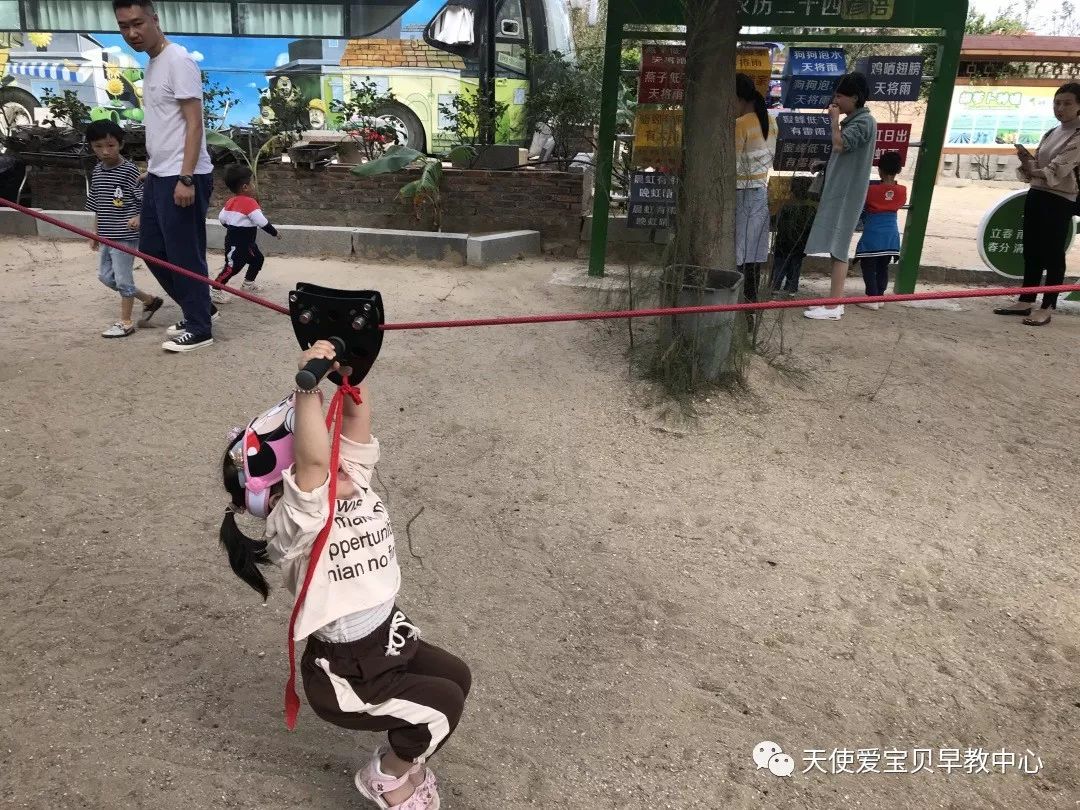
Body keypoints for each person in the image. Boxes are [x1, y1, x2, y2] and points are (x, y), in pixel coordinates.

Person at [218, 343, 470, 809]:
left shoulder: (350, 479)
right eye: (308, 467)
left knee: (456, 676)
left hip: (387, 634)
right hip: (348, 671)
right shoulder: (296, 523)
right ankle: (386, 776)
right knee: (440, 709)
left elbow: (354, 418)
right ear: (282, 493)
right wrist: (305, 390)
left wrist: (350, 370)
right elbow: (314, 466)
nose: (334, 460)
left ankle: (406, 754)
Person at [113, 0, 217, 353]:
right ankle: (200, 308)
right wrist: (153, 170)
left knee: (185, 254)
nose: (132, 33)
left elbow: (194, 123)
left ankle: (200, 327)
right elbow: (165, 125)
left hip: (183, 176)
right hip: (160, 174)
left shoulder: (178, 60)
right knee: (152, 249)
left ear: (155, 19)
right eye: (124, 26)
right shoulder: (154, 62)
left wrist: (185, 177)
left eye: (138, 23)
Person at [994, 82, 1080, 327]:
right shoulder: (1052, 132)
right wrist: (1027, 162)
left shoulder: (1078, 135)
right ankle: (1026, 299)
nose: (1060, 108)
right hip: (1037, 193)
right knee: (1031, 249)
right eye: (1057, 103)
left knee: (1053, 253)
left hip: (1060, 199)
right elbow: (1038, 168)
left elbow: (1056, 170)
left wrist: (1033, 168)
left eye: (1067, 103)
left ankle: (1047, 306)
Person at [803, 72, 878, 321]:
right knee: (837, 247)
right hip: (840, 191)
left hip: (847, 194)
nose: (835, 101)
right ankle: (833, 302)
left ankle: (834, 306)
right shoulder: (856, 121)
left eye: (839, 96)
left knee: (839, 246)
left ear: (854, 97)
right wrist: (825, 165)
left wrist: (834, 121)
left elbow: (840, 145)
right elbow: (844, 155)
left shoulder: (864, 122)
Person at [84, 119, 164, 337]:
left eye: (110, 145)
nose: (105, 151)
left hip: (125, 235)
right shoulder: (97, 171)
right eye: (98, 146)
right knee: (105, 277)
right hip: (106, 234)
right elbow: (98, 205)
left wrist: (139, 216)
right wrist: (95, 233)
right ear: (91, 146)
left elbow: (146, 200)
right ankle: (149, 300)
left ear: (120, 144)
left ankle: (126, 322)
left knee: (122, 279)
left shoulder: (129, 171)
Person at [734, 73, 779, 305]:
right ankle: (750, 304)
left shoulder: (741, 124)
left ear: (738, 98)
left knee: (739, 253)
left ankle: (737, 302)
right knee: (754, 253)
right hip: (761, 192)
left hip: (742, 193)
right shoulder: (771, 121)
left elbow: (732, 165)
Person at [212, 164, 281, 305]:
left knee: (257, 259)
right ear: (245, 187)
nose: (254, 185)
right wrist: (275, 233)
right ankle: (215, 289)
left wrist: (232, 225)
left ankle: (248, 284)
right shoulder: (251, 203)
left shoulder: (230, 202)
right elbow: (262, 222)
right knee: (232, 267)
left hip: (247, 243)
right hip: (236, 244)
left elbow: (222, 218)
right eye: (252, 183)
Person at [852, 150, 907, 310]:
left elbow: (861, 203)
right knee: (883, 266)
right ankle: (879, 297)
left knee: (868, 265)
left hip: (873, 233)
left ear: (879, 169)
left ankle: (872, 298)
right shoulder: (902, 190)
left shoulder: (870, 189)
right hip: (891, 235)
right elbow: (898, 202)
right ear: (899, 170)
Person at [771, 176, 817, 296]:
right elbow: (811, 228)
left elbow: (775, 222)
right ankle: (791, 289)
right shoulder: (810, 210)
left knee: (780, 267)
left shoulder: (785, 207)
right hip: (799, 246)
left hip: (782, 244)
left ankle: (775, 287)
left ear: (792, 190)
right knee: (795, 267)